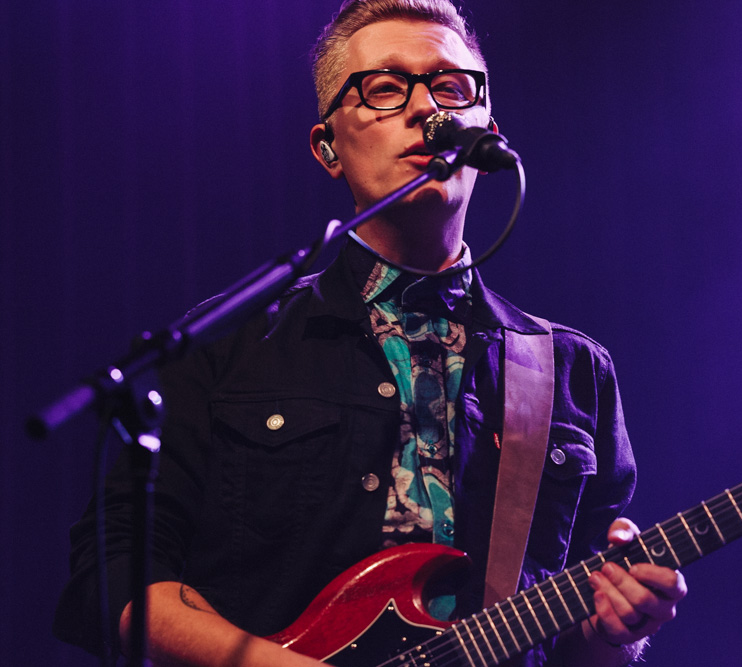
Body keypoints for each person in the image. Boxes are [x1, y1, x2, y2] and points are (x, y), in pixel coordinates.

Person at [53, 1, 687, 665]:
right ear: (327, 147)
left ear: (487, 131)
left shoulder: (571, 370)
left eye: (449, 87)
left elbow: (574, 648)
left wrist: (621, 628)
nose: (425, 111)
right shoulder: (226, 342)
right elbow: (114, 575)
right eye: (385, 88)